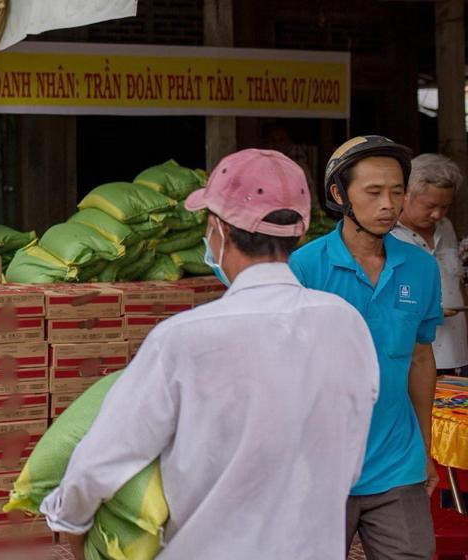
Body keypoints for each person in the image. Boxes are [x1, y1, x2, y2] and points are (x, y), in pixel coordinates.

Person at [42, 148, 379, 560]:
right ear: (299, 231)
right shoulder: (347, 326)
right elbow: (351, 456)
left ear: (218, 229)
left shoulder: (185, 338)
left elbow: (101, 459)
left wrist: (69, 522)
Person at [291, 135, 443, 560]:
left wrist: (425, 449)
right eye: (373, 192)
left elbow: (419, 356)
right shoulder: (303, 268)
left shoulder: (420, 267)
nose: (389, 204)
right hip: (316, 470)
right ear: (339, 195)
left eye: (397, 192)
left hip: (397, 464)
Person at [393, 153, 468, 374]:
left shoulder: (447, 228)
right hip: (415, 358)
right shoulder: (390, 236)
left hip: (458, 353)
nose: (437, 214)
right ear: (406, 195)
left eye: (445, 206)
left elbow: (458, 284)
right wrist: (427, 309)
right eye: (430, 205)